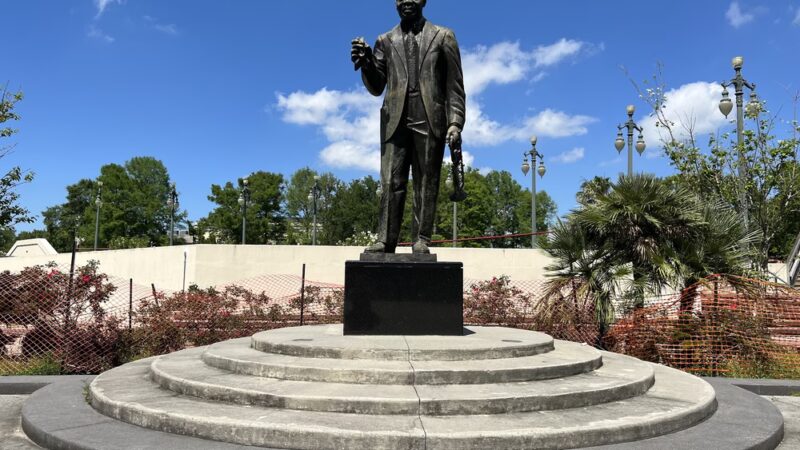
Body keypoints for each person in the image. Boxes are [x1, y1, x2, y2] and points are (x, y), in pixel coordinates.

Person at [351, 0, 466, 255]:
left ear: (424, 1)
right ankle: (385, 240)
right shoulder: (385, 40)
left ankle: (422, 239)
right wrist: (367, 63)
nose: (406, 2)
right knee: (391, 181)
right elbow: (376, 87)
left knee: (426, 182)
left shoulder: (444, 36)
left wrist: (455, 122)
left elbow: (454, 86)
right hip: (395, 119)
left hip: (430, 117)